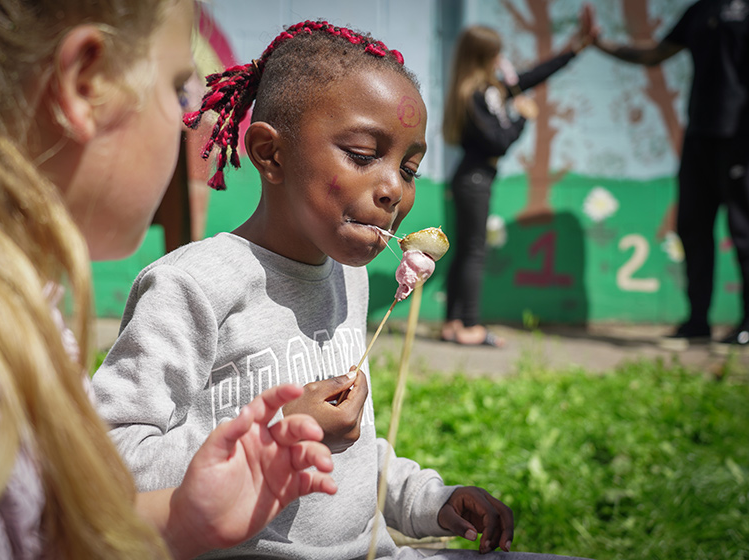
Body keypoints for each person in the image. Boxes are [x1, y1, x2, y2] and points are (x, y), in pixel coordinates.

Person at [94, 20, 592, 560]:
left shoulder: (348, 278)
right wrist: (277, 436)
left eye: (409, 168)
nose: (394, 189)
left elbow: (355, 454)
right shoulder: (191, 286)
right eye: (361, 154)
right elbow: (108, 464)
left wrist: (432, 502)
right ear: (271, 155)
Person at [0, 1, 338, 558]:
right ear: (86, 84)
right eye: (179, 89)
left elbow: (50, 527)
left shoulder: (14, 312)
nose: (190, 119)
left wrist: (179, 518)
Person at [591, 0, 749, 351]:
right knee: (692, 227)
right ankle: (697, 321)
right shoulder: (700, 10)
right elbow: (656, 54)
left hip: (739, 136)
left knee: (744, 232)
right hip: (700, 136)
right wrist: (601, 44)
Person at [440, 9, 597, 347]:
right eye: (496, 52)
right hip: (474, 180)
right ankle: (468, 325)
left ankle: (453, 323)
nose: (502, 58)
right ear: (484, 57)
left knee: (467, 251)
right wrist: (523, 119)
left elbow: (532, 76)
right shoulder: (476, 95)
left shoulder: (491, 90)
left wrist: (575, 49)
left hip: (475, 179)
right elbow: (500, 141)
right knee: (474, 252)